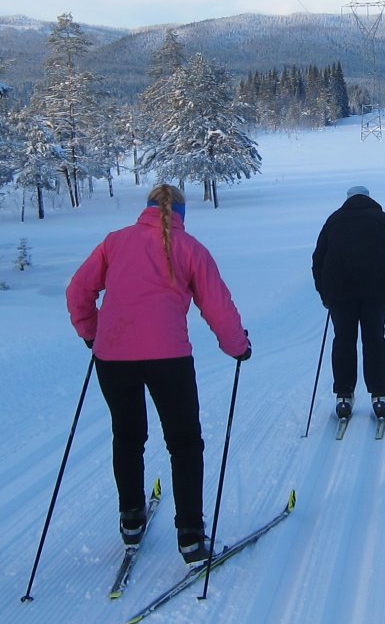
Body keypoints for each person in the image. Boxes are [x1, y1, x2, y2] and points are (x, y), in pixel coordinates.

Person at [67, 183, 250, 566]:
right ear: (180, 215)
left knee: (128, 436)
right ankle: (190, 536)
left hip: (112, 357)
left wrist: (90, 332)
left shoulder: (115, 242)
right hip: (169, 359)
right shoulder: (190, 249)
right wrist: (237, 346)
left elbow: (78, 290)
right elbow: (217, 305)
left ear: (146, 209)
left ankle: (131, 519)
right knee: (184, 444)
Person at [312, 185, 385, 423]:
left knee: (343, 340)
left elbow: (318, 259)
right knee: (374, 339)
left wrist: (324, 292)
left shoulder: (333, 220)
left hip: (340, 292)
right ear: (369, 199)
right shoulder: (381, 219)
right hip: (377, 290)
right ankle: (379, 396)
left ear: (347, 199)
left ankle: (343, 396)